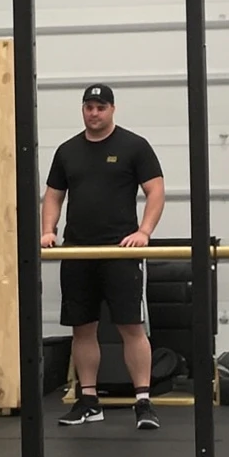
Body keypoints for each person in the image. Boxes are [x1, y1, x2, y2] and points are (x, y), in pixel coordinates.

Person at [41, 85, 165, 431]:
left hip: (119, 251)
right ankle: (89, 400)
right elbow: (52, 196)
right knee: (82, 328)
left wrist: (144, 232)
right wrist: (48, 230)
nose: (94, 113)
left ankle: (143, 401)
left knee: (131, 327)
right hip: (79, 250)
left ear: (112, 109)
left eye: (100, 107)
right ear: (82, 110)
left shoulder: (133, 146)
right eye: (88, 107)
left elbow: (155, 190)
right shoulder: (67, 151)